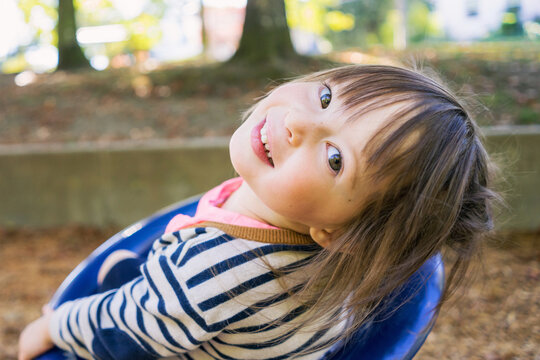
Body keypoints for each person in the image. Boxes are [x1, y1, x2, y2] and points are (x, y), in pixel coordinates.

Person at [18, 64, 497, 360]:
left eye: (335, 159)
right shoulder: (321, 234)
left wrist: (55, 324)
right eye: (326, 97)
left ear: (338, 233)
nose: (298, 123)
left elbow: (130, 330)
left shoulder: (216, 270)